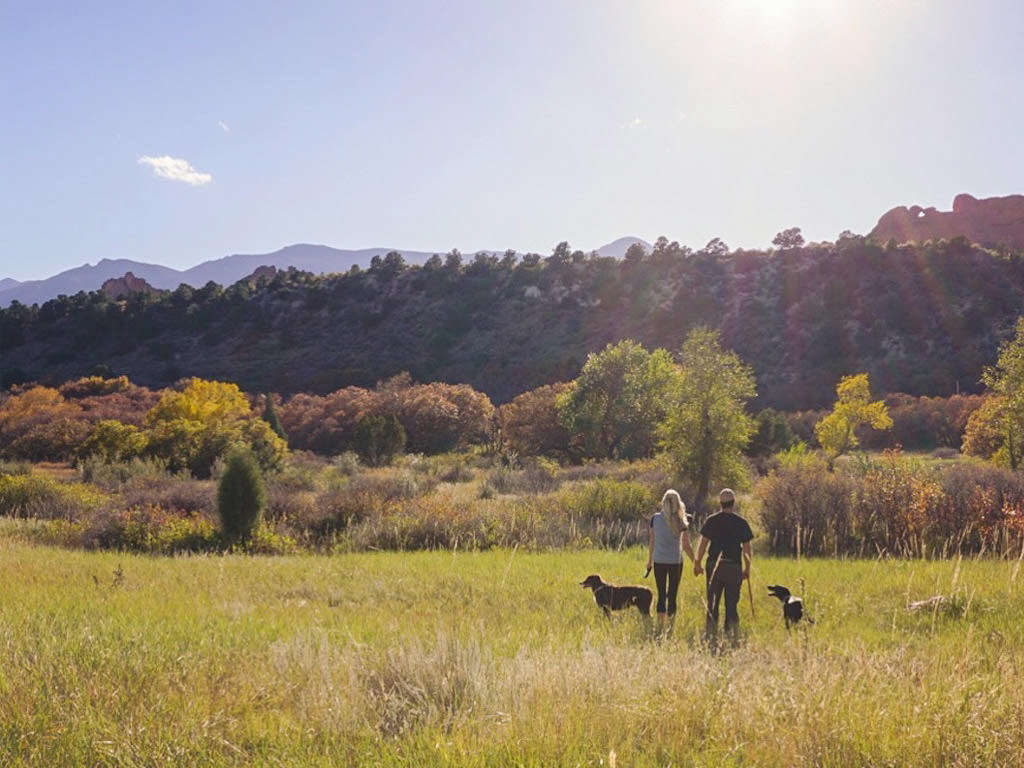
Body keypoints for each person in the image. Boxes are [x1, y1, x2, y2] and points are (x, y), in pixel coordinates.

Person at [693, 488, 753, 649]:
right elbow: (747, 548)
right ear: (733, 503)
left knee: (712, 602)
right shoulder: (741, 523)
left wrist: (697, 562)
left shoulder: (712, 520)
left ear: (720, 503)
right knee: (731, 604)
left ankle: (711, 634)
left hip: (714, 566)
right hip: (734, 567)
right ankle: (730, 634)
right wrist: (747, 568)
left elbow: (703, 543)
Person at [646, 489, 695, 636]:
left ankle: (660, 627)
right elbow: (686, 545)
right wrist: (696, 562)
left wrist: (649, 561)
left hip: (659, 560)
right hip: (675, 561)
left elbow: (652, 541)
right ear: (678, 502)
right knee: (672, 595)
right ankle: (670, 628)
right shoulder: (681, 520)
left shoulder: (655, 519)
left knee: (661, 594)